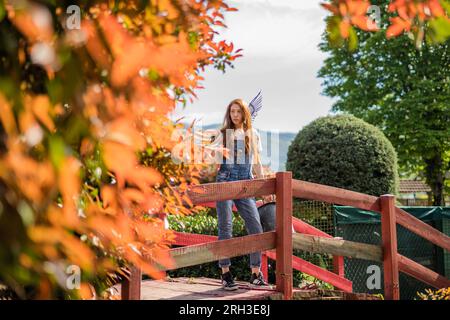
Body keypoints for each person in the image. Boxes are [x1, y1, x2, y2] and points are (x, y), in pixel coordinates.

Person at [208, 98, 274, 291]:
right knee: (225, 227)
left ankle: (255, 273)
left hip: (245, 182)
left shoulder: (252, 133)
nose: (235, 115)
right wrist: (209, 149)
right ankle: (226, 273)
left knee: (255, 226)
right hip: (225, 181)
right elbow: (212, 154)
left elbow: (257, 163)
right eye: (232, 112)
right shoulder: (224, 134)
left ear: (245, 113)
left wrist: (264, 189)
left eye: (238, 111)